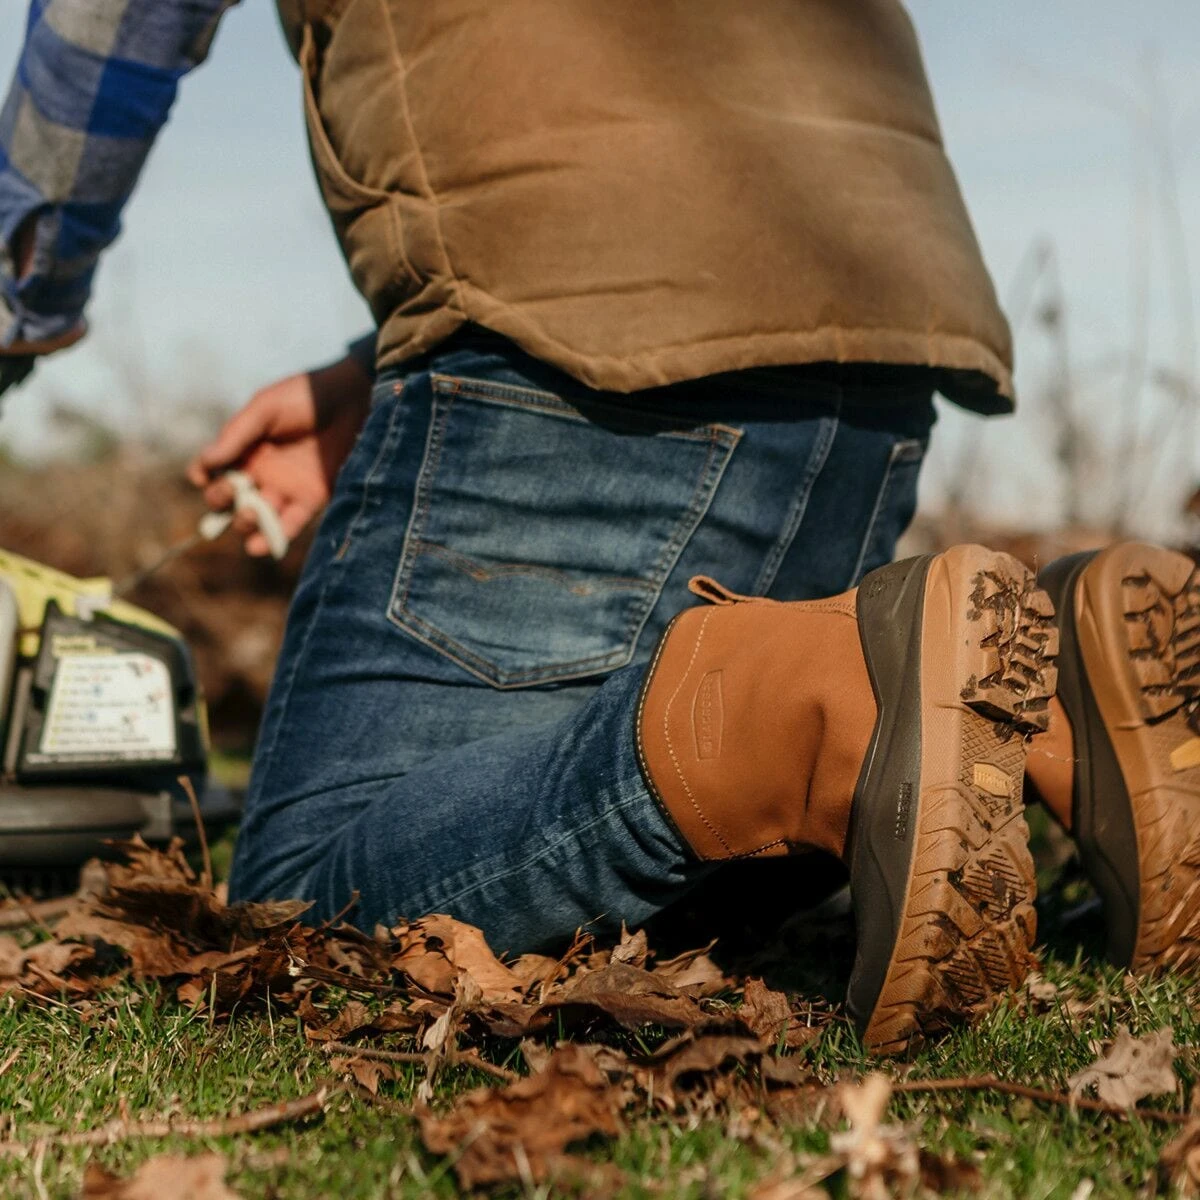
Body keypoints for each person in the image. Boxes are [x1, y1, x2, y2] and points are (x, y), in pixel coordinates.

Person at [1, 1, 1196, 1053]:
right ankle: (1054, 712)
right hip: (881, 330)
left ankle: (813, 705)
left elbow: (114, 23)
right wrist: (372, 370)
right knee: (627, 831)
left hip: (575, 341)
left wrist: (21, 291)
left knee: (303, 904)